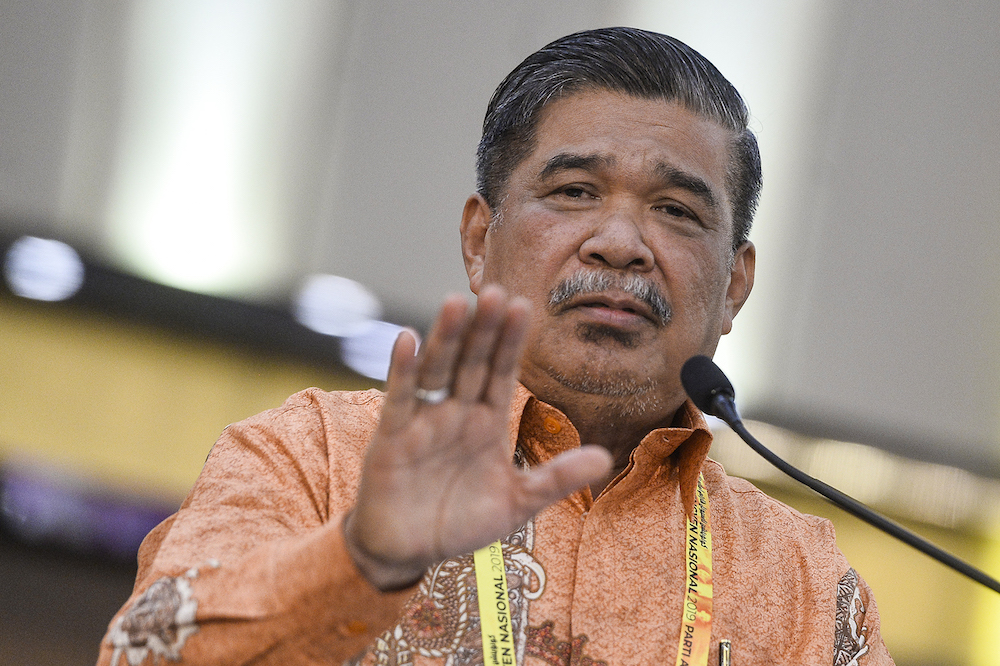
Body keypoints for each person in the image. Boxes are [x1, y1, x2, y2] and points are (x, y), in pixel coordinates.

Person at [98, 27, 894, 666]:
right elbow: (144, 656)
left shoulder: (805, 583)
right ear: (480, 241)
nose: (620, 243)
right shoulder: (311, 458)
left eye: (678, 211)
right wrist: (360, 562)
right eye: (574, 191)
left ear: (734, 286)